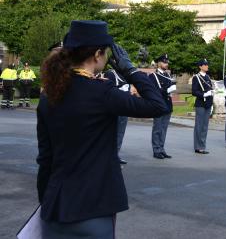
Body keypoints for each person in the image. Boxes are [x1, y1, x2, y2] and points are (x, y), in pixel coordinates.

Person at [36, 20, 167, 238]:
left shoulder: (49, 94)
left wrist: (46, 203)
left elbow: (45, 159)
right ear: (98, 54)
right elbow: (158, 105)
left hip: (56, 207)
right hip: (94, 207)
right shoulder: (102, 93)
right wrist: (132, 71)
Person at [149, 54, 176, 159]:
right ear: (159, 63)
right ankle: (156, 150)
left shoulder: (168, 75)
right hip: (159, 105)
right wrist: (167, 90)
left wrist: (171, 90)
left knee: (164, 128)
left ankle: (162, 148)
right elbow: (154, 91)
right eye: (164, 62)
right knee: (157, 128)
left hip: (168, 104)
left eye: (167, 62)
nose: (166, 64)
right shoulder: (153, 76)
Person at [105, 68, 131, 164]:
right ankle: (109, 156)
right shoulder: (110, 73)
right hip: (115, 108)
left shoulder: (125, 74)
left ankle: (116, 155)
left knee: (120, 133)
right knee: (112, 133)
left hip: (124, 108)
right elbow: (108, 89)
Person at [191, 58, 213, 154]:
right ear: (200, 66)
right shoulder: (196, 77)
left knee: (205, 126)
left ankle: (202, 146)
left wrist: (211, 93)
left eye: (207, 64)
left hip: (208, 103)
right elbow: (194, 91)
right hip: (200, 103)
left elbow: (210, 89)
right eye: (205, 65)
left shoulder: (207, 77)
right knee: (199, 126)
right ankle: (197, 146)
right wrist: (204, 94)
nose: (207, 66)